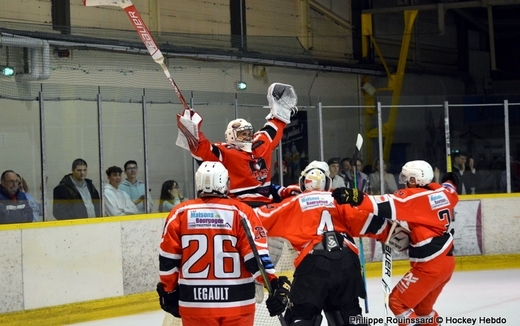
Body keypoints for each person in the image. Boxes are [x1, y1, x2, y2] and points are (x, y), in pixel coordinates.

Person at [156, 161, 290, 326]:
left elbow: (168, 260)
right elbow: (256, 258)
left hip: (194, 304)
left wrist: (168, 290)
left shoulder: (180, 213)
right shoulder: (241, 212)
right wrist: (273, 283)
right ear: (225, 183)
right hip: (238, 304)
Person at [333, 160, 459, 326]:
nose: (405, 182)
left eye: (407, 178)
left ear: (416, 179)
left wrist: (355, 197)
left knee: (397, 303)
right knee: (423, 310)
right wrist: (451, 180)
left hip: (429, 266)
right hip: (446, 263)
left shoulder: (414, 197)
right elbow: (451, 187)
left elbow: (382, 204)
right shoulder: (443, 192)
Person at [255, 161, 372, 326]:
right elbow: (371, 221)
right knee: (349, 314)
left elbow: (255, 219)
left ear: (303, 181)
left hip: (314, 264)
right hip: (348, 263)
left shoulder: (297, 200)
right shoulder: (341, 200)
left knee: (302, 315)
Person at [177, 82, 298, 206]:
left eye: (248, 133)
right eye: (242, 134)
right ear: (231, 136)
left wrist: (281, 110)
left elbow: (274, 128)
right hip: (239, 205)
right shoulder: (225, 151)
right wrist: (191, 130)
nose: (247, 137)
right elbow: (201, 149)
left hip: (266, 202)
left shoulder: (261, 143)